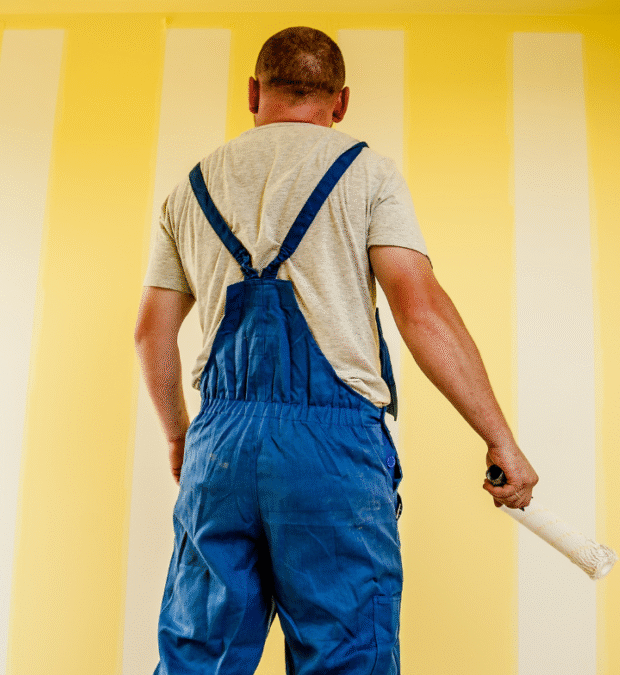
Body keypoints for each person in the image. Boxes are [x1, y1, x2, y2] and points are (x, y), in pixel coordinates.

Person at [134, 26, 538, 675]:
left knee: (198, 656)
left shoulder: (191, 188)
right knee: (347, 657)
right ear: (340, 102)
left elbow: (151, 332)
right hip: (331, 452)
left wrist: (182, 436)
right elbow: (420, 308)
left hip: (220, 449)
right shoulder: (366, 174)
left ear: (252, 92)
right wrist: (500, 438)